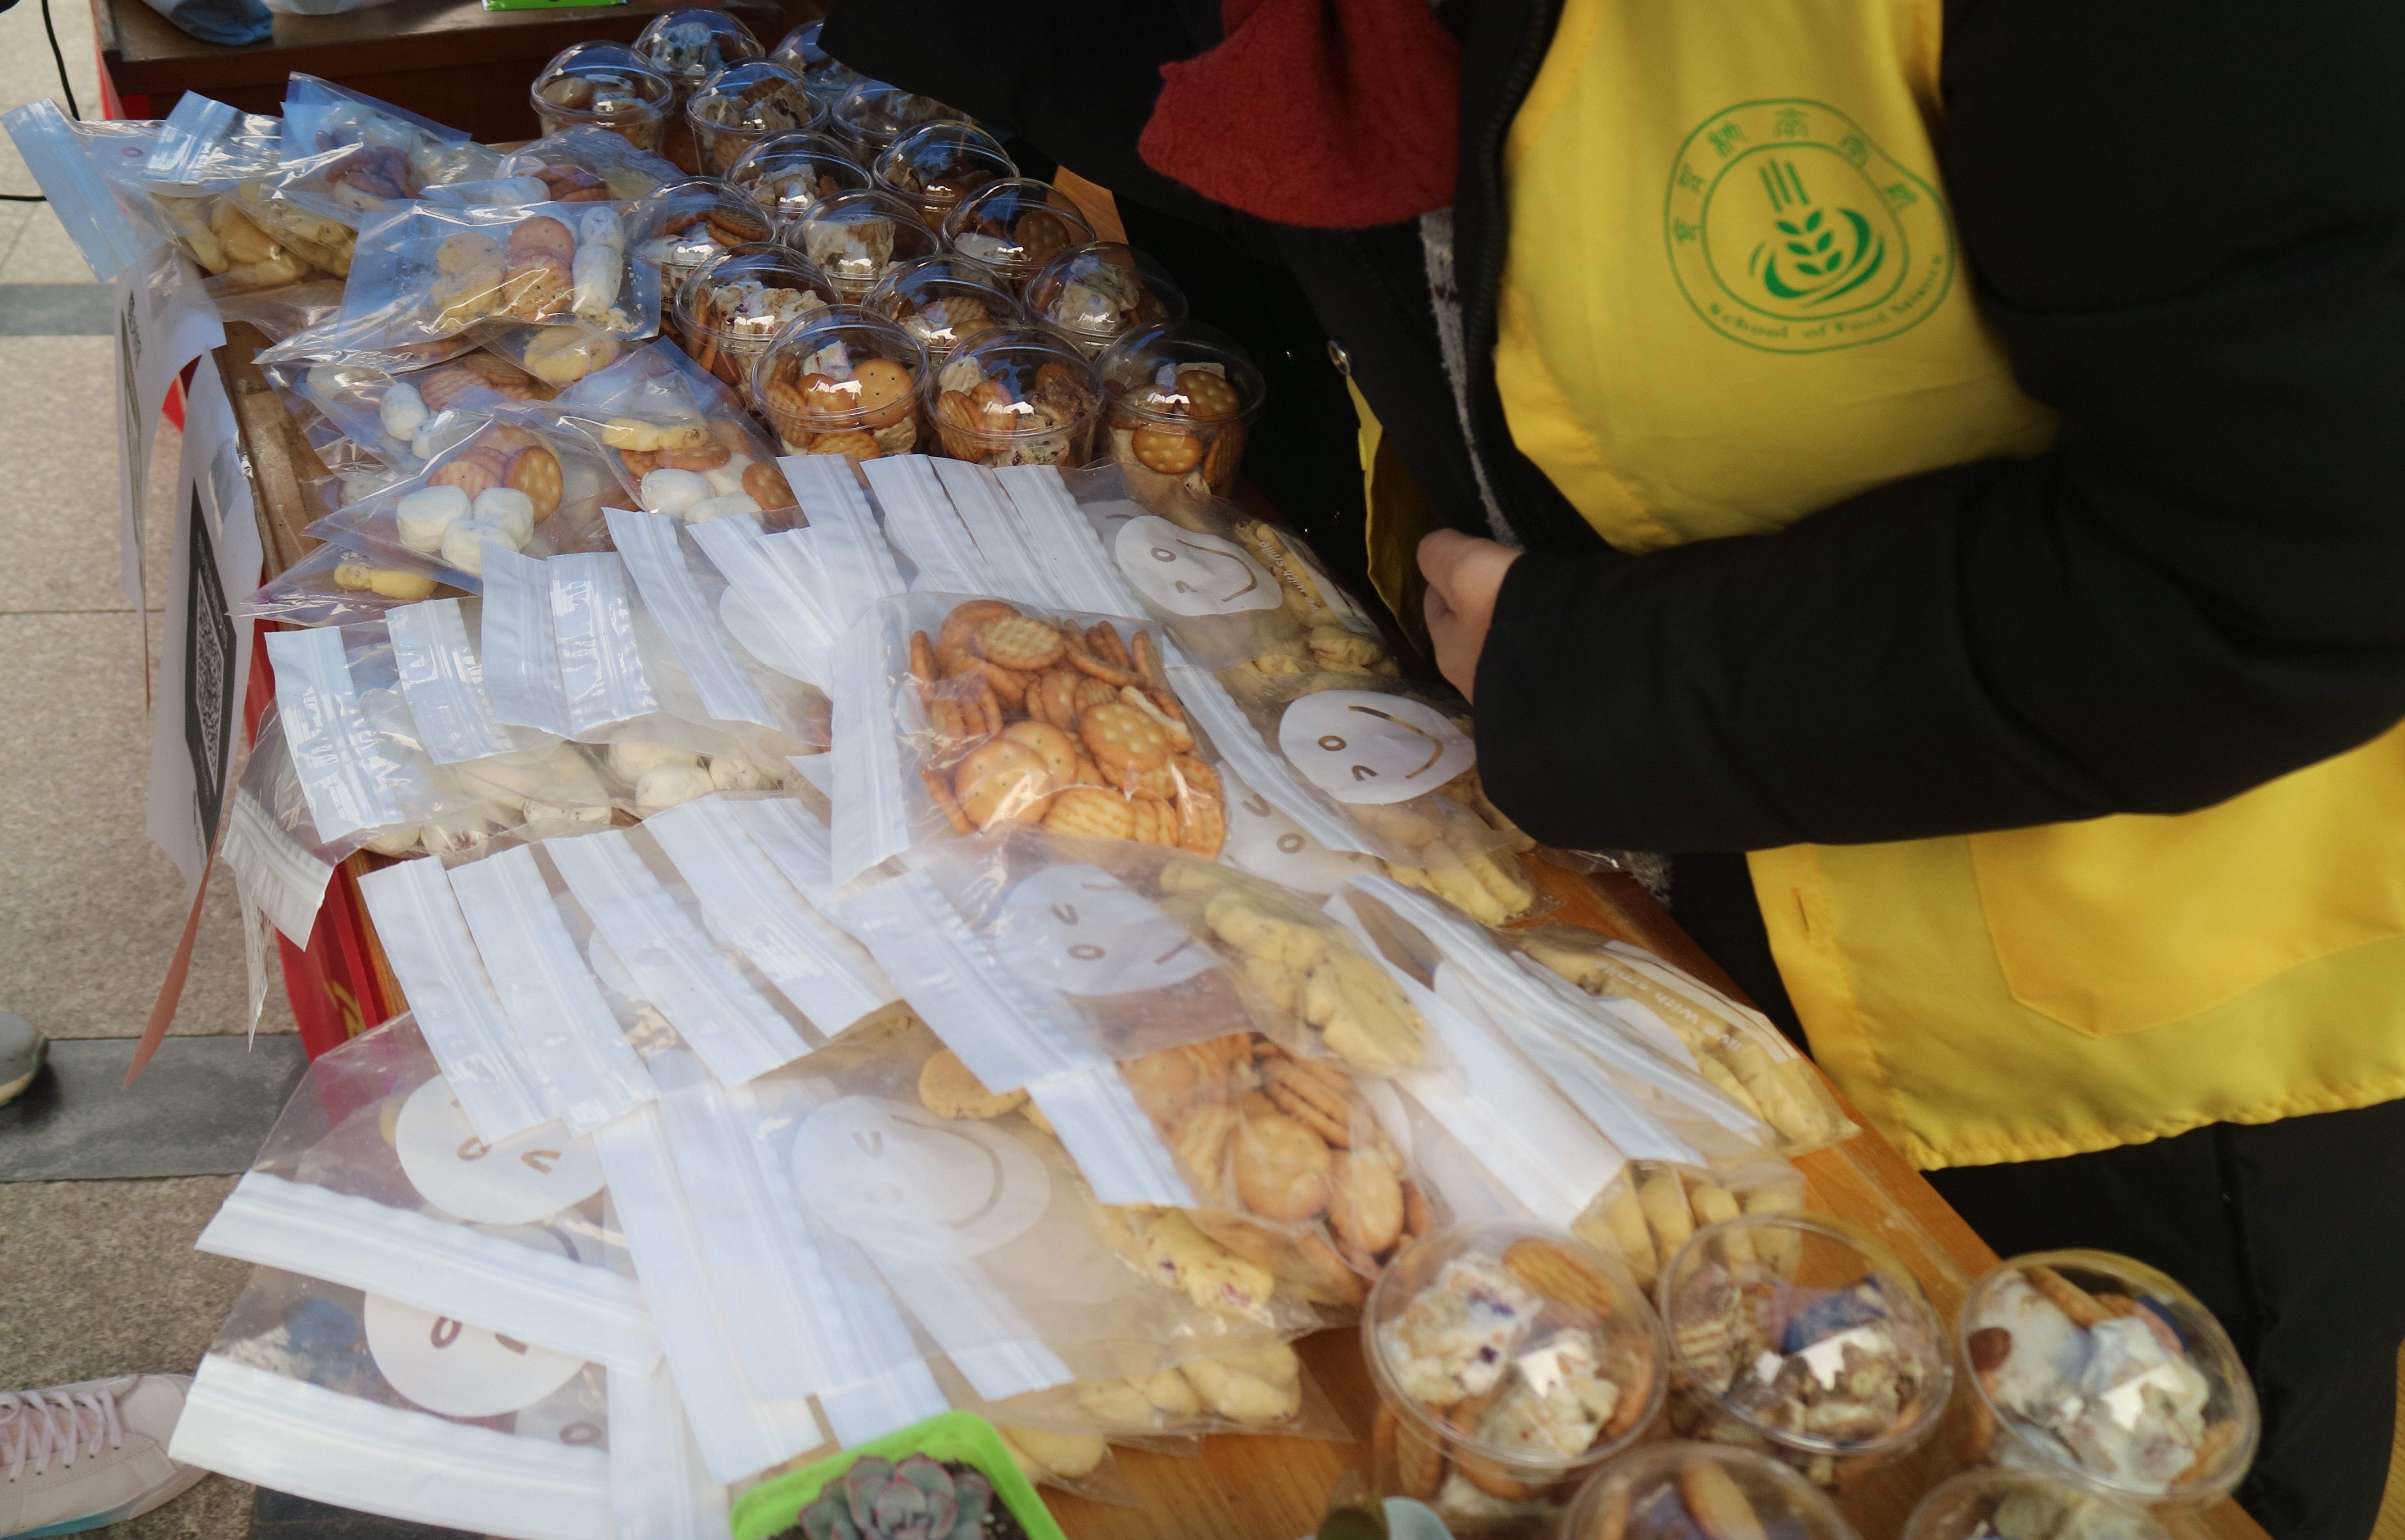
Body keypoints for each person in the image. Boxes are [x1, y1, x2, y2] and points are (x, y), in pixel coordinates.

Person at [824, 1, 2405, 1534]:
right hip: (1612, 922)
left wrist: (1598, 679)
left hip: (2089, 1060)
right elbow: (1300, 136)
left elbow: (2296, 557)